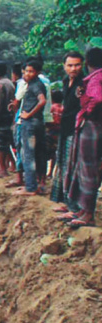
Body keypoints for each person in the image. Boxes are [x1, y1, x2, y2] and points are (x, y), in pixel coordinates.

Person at [65, 47, 102, 227]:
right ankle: (82, 209)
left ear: (87, 63)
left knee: (88, 169)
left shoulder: (96, 79)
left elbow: (97, 99)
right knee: (83, 168)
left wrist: (86, 110)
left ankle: (88, 214)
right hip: (93, 127)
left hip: (92, 127)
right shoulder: (94, 79)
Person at [53, 51, 86, 210]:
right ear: (64, 66)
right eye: (70, 65)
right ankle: (65, 200)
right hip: (65, 127)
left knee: (73, 167)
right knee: (63, 163)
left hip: (78, 129)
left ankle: (74, 205)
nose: (74, 68)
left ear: (83, 65)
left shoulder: (84, 83)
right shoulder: (66, 82)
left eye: (77, 65)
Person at [14, 60, 47, 196]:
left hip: (30, 123)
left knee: (28, 155)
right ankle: (37, 184)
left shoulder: (35, 86)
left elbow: (42, 101)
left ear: (38, 72)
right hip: (38, 122)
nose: (26, 74)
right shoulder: (37, 84)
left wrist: (28, 114)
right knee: (38, 154)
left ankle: (31, 187)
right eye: (26, 71)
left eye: (30, 71)